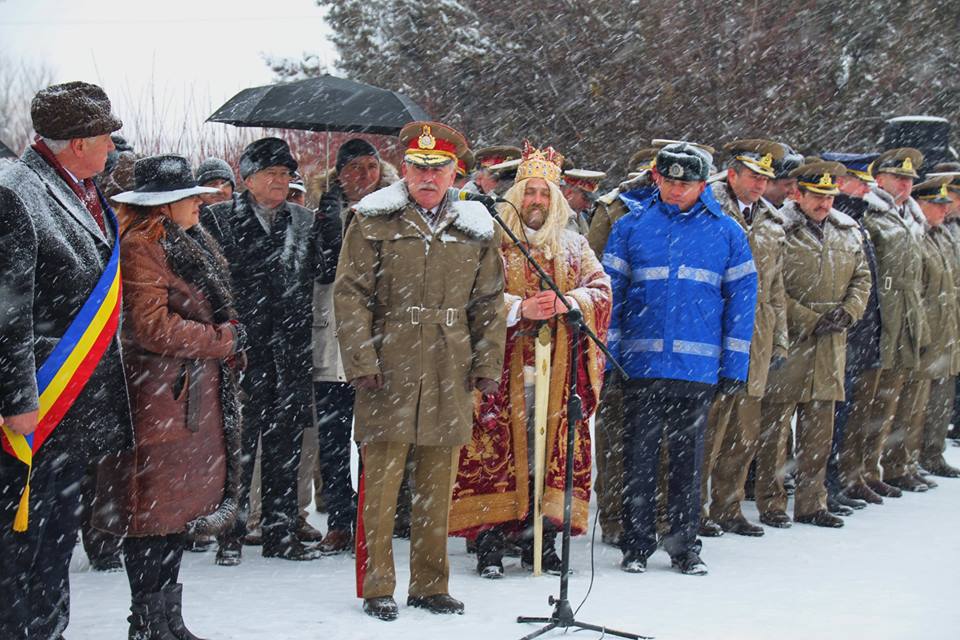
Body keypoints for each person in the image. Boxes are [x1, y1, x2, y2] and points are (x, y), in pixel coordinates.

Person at [335, 121, 506, 620]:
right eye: (418, 167)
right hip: (390, 363)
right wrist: (361, 361)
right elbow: (350, 296)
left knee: (437, 482)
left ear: (456, 172)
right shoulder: (372, 219)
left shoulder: (476, 227)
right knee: (383, 482)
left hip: (450, 365)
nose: (427, 177)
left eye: (439, 168)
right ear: (403, 169)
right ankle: (377, 585)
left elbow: (490, 302)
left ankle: (431, 584)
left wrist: (486, 363)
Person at [0, 81, 133, 639]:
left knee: (54, 548)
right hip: (37, 415)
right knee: (22, 556)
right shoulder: (16, 193)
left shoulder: (82, 189)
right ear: (77, 142)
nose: (113, 147)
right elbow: (8, 310)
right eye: (106, 136)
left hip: (74, 414)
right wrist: (17, 401)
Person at [95, 155, 243, 640]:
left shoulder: (182, 242)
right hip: (157, 401)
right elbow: (150, 327)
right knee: (153, 516)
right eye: (192, 197)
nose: (201, 203)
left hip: (183, 400)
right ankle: (148, 622)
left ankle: (166, 620)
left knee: (174, 513)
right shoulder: (143, 245)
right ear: (164, 204)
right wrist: (222, 340)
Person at [449, 142, 612, 578]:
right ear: (516, 196)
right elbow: (472, 296)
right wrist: (520, 309)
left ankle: (541, 542)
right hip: (501, 370)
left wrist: (566, 302)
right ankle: (489, 544)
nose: (536, 201)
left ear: (555, 200)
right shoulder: (493, 240)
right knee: (497, 451)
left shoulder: (574, 246)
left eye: (544, 193)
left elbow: (601, 290)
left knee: (547, 454)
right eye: (529, 192)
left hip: (557, 373)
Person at [604, 142, 758, 575]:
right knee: (638, 459)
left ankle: (684, 545)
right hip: (641, 367)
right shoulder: (632, 227)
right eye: (669, 180)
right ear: (656, 178)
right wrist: (610, 359)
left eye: (685, 183)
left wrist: (734, 368)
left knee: (689, 464)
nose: (676, 190)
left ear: (702, 183)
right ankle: (636, 544)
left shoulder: (726, 232)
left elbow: (742, 304)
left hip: (697, 370)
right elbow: (610, 298)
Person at [202, 137, 323, 563]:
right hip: (241, 351)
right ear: (247, 179)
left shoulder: (306, 221)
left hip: (289, 350)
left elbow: (324, 271)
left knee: (285, 448)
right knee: (236, 448)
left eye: (285, 174)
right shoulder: (216, 219)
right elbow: (207, 285)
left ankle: (280, 532)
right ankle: (229, 535)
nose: (279, 181)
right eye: (270, 174)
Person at [758, 162, 872, 529]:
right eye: (818, 196)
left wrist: (850, 311)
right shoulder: (777, 228)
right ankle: (771, 502)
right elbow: (770, 285)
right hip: (789, 341)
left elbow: (863, 277)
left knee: (819, 432)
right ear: (799, 194)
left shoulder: (847, 229)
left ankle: (812, 502)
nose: (825, 204)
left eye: (830, 197)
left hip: (832, 343)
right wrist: (808, 317)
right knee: (774, 430)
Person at [311, 138, 399, 554]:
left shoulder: (396, 213)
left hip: (382, 342)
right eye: (356, 168)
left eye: (371, 166)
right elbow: (324, 269)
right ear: (339, 174)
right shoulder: (323, 214)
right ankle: (340, 521)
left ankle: (374, 518)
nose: (365, 175)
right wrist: (334, 223)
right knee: (332, 443)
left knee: (376, 442)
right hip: (332, 345)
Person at [702, 139, 788, 537]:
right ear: (731, 173)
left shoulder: (771, 222)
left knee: (744, 434)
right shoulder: (709, 208)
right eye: (752, 176)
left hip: (757, 337)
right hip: (715, 333)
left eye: (764, 178)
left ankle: (728, 505)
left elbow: (775, 290)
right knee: (708, 431)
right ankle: (693, 507)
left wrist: (780, 340)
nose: (758, 184)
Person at [586, 146, 659, 546]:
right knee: (615, 431)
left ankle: (657, 514)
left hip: (660, 342)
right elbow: (596, 279)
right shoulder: (615, 210)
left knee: (659, 436)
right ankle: (614, 513)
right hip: (619, 339)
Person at [859, 148, 933, 494]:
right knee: (871, 398)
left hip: (906, 313)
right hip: (882, 315)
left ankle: (886, 466)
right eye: (898, 178)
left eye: (908, 180)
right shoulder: (872, 217)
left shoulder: (911, 218)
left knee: (895, 399)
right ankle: (858, 470)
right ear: (880, 180)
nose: (904, 184)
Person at [818, 152, 884, 509]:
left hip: (855, 333)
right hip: (837, 335)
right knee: (828, 420)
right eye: (860, 182)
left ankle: (838, 480)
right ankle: (826, 483)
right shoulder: (842, 220)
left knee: (841, 419)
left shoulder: (855, 220)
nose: (866, 189)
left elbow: (865, 282)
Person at [911, 179, 960, 478]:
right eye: (937, 204)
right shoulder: (918, 235)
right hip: (927, 329)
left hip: (947, 329)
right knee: (917, 403)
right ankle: (908, 458)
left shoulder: (943, 235)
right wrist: (922, 330)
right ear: (921, 205)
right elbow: (915, 288)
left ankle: (932, 452)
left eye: (945, 204)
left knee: (941, 398)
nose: (944, 209)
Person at [561, 167, 606, 234]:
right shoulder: (554, 218)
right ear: (568, 193)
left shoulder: (581, 219)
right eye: (585, 199)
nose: (588, 206)